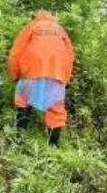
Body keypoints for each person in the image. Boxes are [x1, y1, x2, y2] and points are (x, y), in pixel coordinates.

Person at [7, 11, 74, 146]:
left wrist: (15, 75)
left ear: (37, 18)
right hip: (58, 70)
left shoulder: (32, 26)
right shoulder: (61, 30)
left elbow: (16, 53)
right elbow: (70, 56)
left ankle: (19, 137)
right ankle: (53, 145)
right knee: (55, 107)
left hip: (32, 67)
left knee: (24, 99)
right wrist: (66, 79)